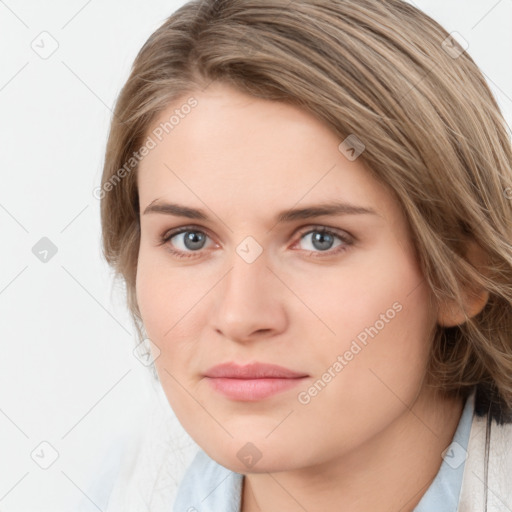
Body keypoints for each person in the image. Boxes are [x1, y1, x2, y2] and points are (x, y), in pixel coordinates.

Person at [96, 0, 512, 510]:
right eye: (191, 238)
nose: (240, 316)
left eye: (320, 239)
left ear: (465, 273)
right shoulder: (130, 478)